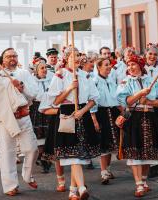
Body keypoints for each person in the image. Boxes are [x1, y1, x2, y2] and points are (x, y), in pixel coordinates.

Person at [47, 47, 100, 200]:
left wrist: (83, 111)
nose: (76, 58)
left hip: (82, 113)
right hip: (66, 113)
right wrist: (70, 88)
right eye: (73, 56)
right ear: (66, 58)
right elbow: (55, 101)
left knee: (77, 156)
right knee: (73, 156)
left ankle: (72, 191)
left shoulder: (85, 75)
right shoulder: (60, 75)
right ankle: (82, 188)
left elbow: (93, 98)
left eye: (78, 55)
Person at [0, 48, 39, 196]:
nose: (12, 58)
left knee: (32, 148)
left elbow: (35, 93)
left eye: (15, 56)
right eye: (9, 56)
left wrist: (22, 88)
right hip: (5, 118)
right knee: (7, 152)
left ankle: (27, 175)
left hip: (23, 116)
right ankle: (10, 186)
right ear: (2, 59)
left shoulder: (24, 73)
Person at [116, 55, 158, 198]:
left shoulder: (151, 80)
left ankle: (144, 181)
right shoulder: (125, 81)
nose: (130, 67)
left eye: (133, 64)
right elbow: (126, 101)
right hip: (134, 118)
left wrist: (150, 102)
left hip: (150, 117)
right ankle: (138, 184)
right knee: (135, 152)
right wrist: (139, 94)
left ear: (140, 65)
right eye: (128, 65)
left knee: (147, 154)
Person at [91, 58, 121, 185]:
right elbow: (92, 100)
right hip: (101, 113)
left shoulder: (111, 80)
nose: (109, 67)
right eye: (106, 65)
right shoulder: (95, 82)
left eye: (110, 65)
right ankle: (103, 171)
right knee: (104, 142)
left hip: (113, 112)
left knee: (111, 143)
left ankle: (107, 169)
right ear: (98, 67)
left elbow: (116, 97)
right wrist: (94, 120)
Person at [29, 60, 54, 173]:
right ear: (36, 70)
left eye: (45, 68)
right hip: (37, 108)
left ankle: (46, 159)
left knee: (49, 134)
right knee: (39, 136)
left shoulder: (52, 78)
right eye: (42, 68)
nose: (44, 70)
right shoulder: (32, 81)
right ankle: (43, 159)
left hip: (49, 107)